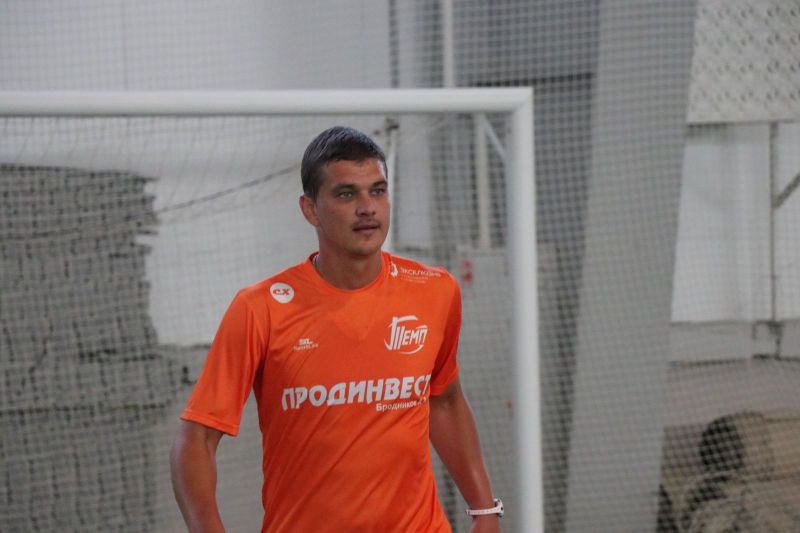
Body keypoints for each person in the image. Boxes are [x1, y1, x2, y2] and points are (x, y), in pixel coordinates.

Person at [170, 126, 502, 532]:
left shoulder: (435, 291)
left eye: (377, 191)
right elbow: (196, 441)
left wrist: (485, 510)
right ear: (310, 210)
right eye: (346, 194)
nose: (367, 208)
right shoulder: (259, 309)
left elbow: (445, 401)